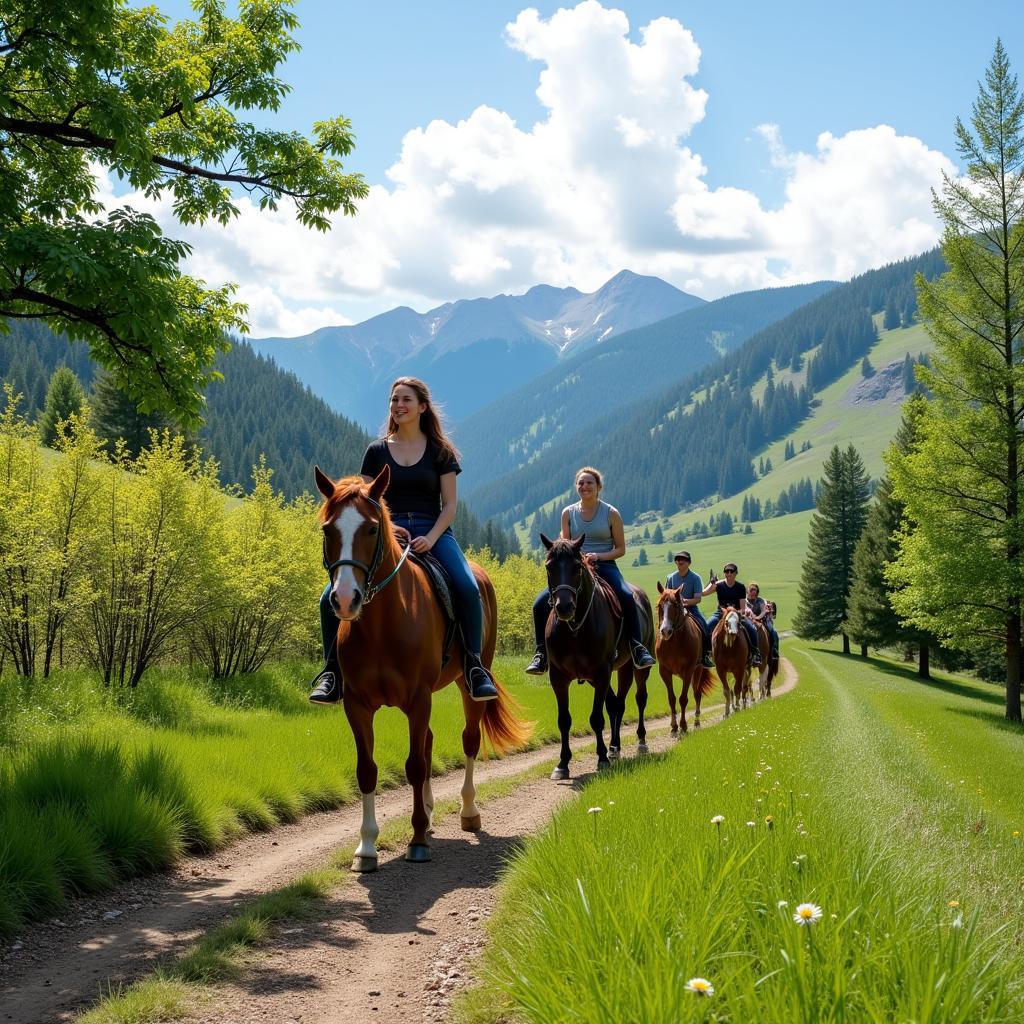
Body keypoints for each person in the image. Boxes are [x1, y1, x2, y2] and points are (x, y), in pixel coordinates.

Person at [309, 376, 499, 704]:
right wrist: (389, 527)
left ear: (422, 407)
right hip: (386, 531)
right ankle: (331, 672)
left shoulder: (441, 451)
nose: (398, 405)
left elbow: (450, 505)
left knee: (468, 587)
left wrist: (432, 537)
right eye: (394, 400)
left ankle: (473, 665)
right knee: (329, 594)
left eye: (406, 400)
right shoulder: (377, 451)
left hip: (433, 530)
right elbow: (367, 500)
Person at [524, 467, 657, 675]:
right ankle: (541, 654)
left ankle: (637, 647)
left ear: (598, 487)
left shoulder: (611, 513)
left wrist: (598, 557)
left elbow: (620, 549)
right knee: (539, 603)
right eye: (581, 483)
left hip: (605, 565)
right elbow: (566, 544)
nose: (584, 487)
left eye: (589, 483)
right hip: (575, 568)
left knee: (627, 596)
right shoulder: (568, 512)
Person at [701, 563, 761, 666]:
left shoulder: (740, 587)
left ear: (736, 573)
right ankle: (706, 653)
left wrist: (736, 612)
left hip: (736, 614)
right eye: (726, 571)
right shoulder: (718, 585)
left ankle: (755, 654)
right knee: (706, 626)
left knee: (752, 628)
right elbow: (703, 593)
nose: (728, 573)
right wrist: (712, 583)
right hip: (720, 613)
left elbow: (742, 608)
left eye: (731, 571)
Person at [664, 551, 715, 669]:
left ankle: (706, 655)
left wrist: (684, 602)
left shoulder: (695, 578)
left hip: (691, 607)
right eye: (678, 560)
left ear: (689, 563)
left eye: (683, 560)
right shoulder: (670, 577)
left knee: (705, 627)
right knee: (663, 624)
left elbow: (697, 599)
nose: (680, 562)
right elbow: (667, 595)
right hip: (674, 608)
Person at [745, 581, 779, 660]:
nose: (753, 592)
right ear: (748, 591)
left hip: (762, 621)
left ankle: (774, 650)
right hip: (747, 621)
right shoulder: (743, 600)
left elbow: (763, 611)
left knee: (774, 632)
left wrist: (758, 617)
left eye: (755, 590)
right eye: (751, 590)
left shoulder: (761, 601)